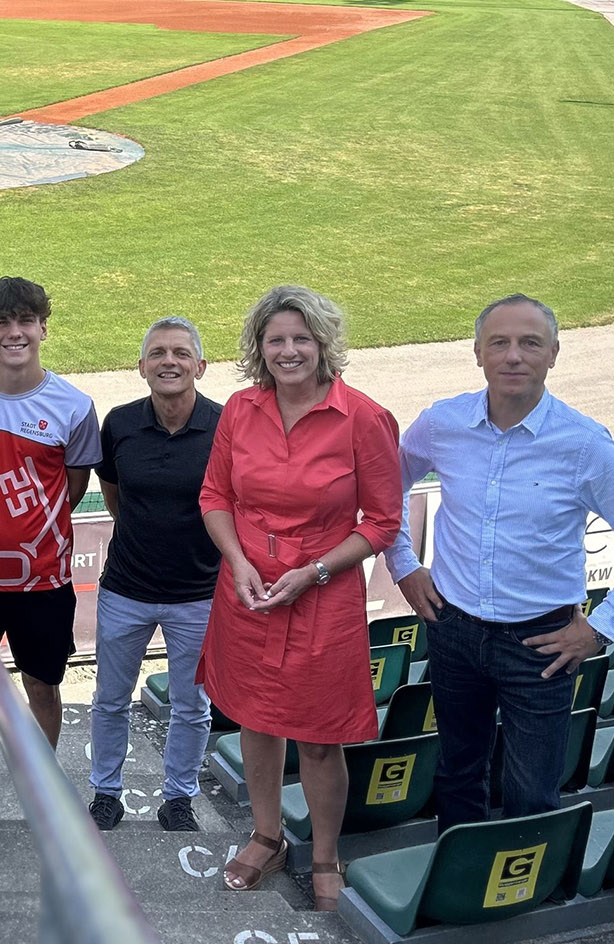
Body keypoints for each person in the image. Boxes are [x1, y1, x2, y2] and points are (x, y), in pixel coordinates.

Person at [387, 294, 614, 833]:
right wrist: (404, 566)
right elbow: (388, 488)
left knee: (530, 789)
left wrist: (601, 629)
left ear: (553, 355)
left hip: (542, 644)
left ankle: (514, 895)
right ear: (478, 353)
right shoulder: (442, 423)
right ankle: (460, 886)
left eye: (530, 343)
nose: (513, 356)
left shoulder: (584, 445)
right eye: (499, 343)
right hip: (451, 627)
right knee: (456, 771)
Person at [198, 285, 402, 906]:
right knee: (256, 721)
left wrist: (313, 571)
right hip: (249, 593)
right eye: (276, 339)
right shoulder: (239, 409)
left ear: (323, 344)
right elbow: (215, 497)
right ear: (259, 347)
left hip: (323, 596)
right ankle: (266, 837)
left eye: (301, 339)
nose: (289, 351)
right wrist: (237, 564)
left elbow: (383, 521)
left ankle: (325, 854)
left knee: (317, 737)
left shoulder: (363, 417)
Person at [0, 277, 100, 830]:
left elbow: (73, 485)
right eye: (2, 323)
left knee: (43, 683)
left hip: (43, 578)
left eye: (26, 321)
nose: (15, 333)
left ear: (42, 328)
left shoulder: (73, 405)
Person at [88, 316, 220, 833]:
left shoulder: (227, 424)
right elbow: (116, 496)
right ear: (141, 366)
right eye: (159, 353)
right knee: (109, 700)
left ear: (201, 366)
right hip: (126, 591)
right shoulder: (119, 423)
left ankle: (180, 798)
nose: (170, 361)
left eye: (182, 353)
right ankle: (105, 793)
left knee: (192, 706)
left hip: (200, 595)